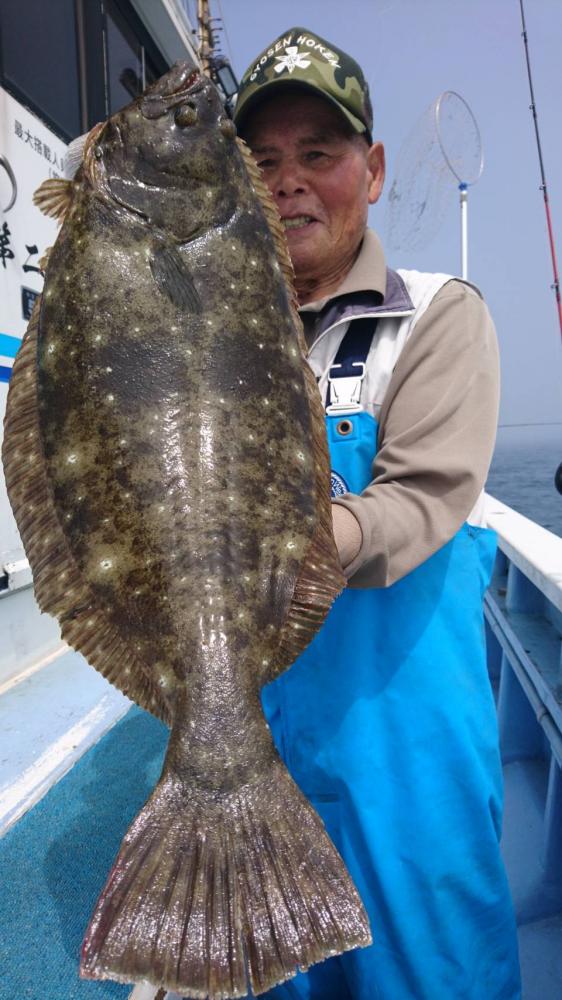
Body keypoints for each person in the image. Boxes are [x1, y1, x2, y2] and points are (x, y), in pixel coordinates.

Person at [228, 26, 522, 1000]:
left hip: (409, 782)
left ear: (375, 169)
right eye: (262, 163)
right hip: (258, 769)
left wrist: (289, 540)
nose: (289, 183)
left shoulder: (436, 316)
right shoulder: (216, 343)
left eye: (318, 153)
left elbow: (418, 496)